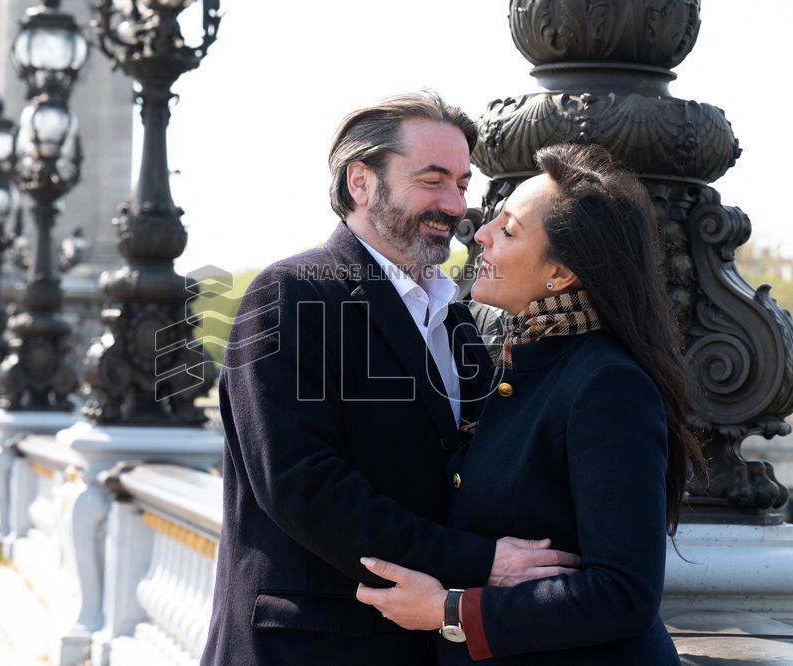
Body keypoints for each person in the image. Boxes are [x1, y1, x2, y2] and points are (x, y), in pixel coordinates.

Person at [202, 93, 580, 666]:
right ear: (360, 182)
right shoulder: (288, 296)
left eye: (461, 183)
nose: (454, 205)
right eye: (432, 181)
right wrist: (478, 563)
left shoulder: (455, 315)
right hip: (307, 647)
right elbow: (303, 486)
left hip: (428, 643)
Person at [356, 143, 701, 664]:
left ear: (560, 276)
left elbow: (624, 593)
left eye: (509, 231)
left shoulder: (606, 384)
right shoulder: (521, 360)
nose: (480, 235)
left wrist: (449, 611)